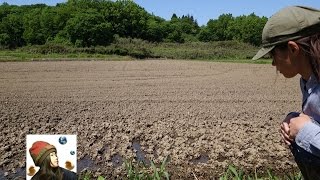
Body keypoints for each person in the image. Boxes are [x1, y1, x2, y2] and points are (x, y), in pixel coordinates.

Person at [252, 5, 320, 179]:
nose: (273, 64)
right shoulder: (307, 81)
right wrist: (295, 117)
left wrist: (305, 130)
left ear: (293, 49)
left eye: (272, 55)